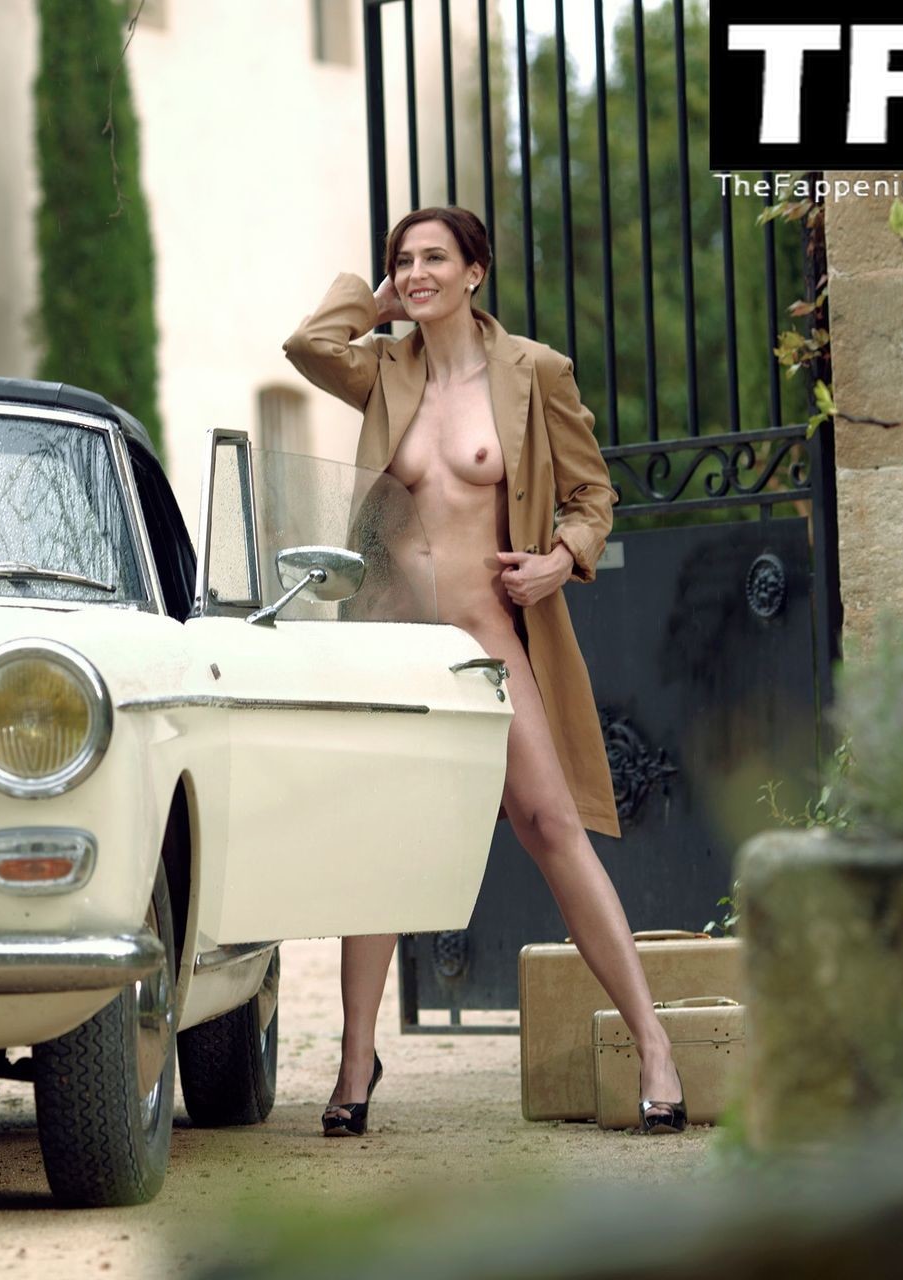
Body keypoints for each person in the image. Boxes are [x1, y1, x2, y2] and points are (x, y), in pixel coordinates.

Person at [282, 205, 687, 1137]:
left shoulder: (534, 373)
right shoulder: (383, 370)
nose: (417, 272)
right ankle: (354, 1064)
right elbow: (307, 345)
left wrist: (560, 560)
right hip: (392, 646)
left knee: (552, 827)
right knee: (378, 849)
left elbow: (592, 496)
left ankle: (654, 1044)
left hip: (487, 641)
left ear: (477, 271)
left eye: (435, 258)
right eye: (403, 261)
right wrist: (376, 302)